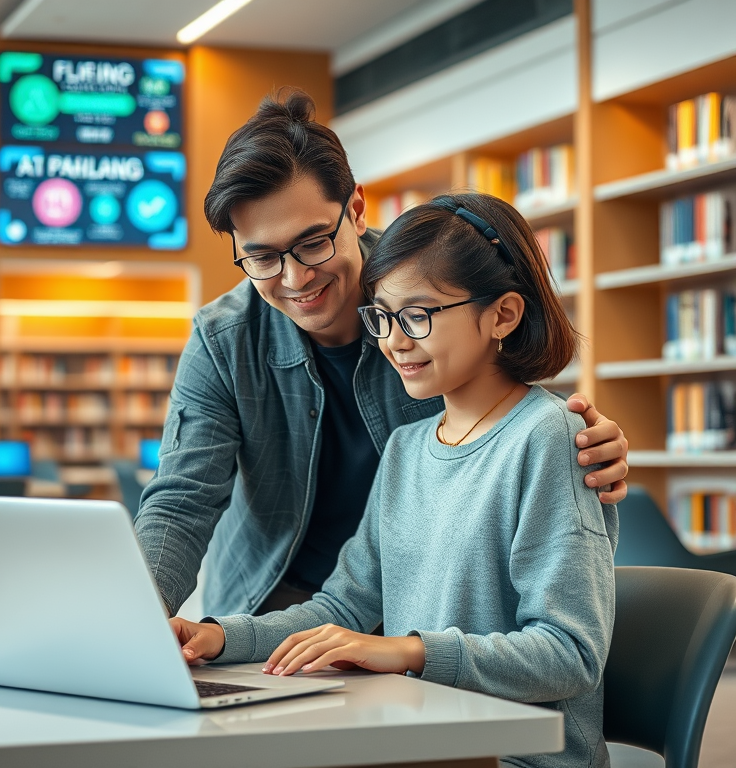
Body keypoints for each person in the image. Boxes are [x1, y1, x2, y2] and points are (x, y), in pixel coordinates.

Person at [134, 88, 628, 618]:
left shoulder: (432, 282)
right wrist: (134, 617)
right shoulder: (223, 338)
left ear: (357, 209)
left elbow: (508, 393)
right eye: (262, 257)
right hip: (274, 607)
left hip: (425, 608)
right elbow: (182, 500)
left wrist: (576, 444)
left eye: (313, 242)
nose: (296, 278)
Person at [170, 192, 617, 768]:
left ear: (503, 314)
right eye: (381, 317)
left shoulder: (550, 437)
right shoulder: (407, 447)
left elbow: (570, 653)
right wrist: (222, 637)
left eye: (418, 316)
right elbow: (345, 607)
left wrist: (407, 651)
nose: (394, 341)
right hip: (422, 738)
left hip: (514, 754)